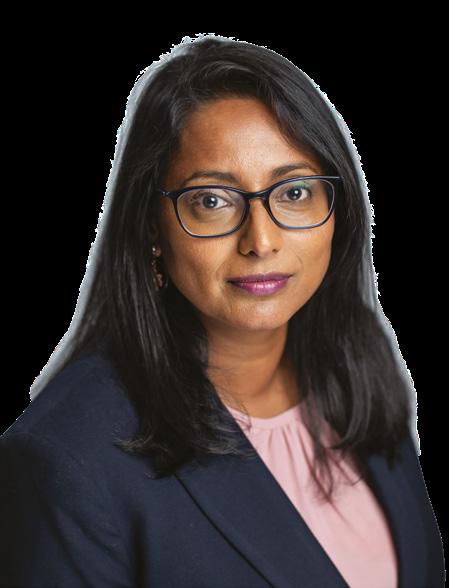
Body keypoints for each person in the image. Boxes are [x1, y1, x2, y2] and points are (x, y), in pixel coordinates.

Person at [0, 34, 445, 588]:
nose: (261, 241)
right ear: (152, 229)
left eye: (294, 192)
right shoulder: (66, 459)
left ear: (339, 209)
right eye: (211, 200)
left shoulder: (360, 372)